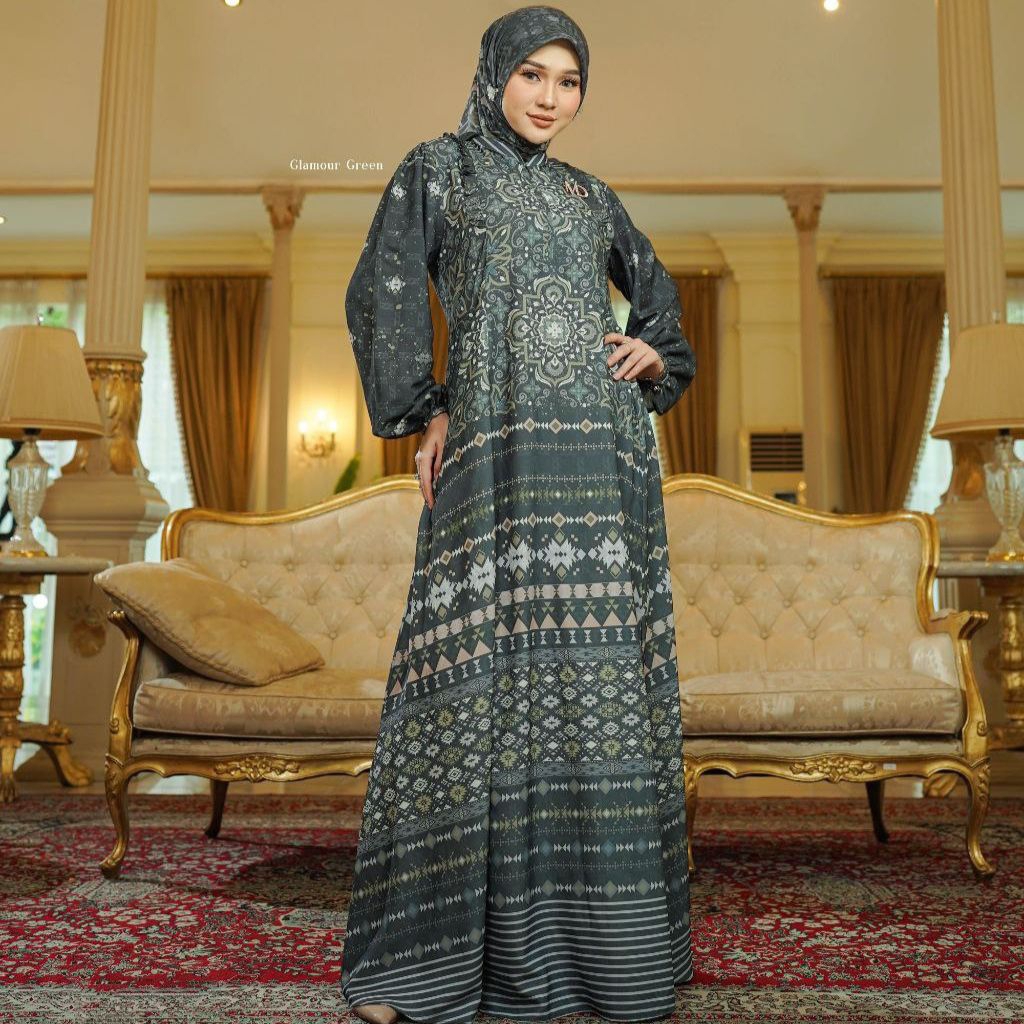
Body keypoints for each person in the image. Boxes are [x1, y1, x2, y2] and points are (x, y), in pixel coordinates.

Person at [341, 6, 696, 1023]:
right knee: (461, 681)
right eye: (532, 73)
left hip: (600, 459)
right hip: (493, 451)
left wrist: (652, 353)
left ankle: (606, 958)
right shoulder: (438, 170)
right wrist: (426, 407)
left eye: (568, 80)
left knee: (592, 684)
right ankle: (423, 961)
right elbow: (381, 291)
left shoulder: (590, 195)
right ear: (494, 72)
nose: (549, 96)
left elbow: (659, 301)